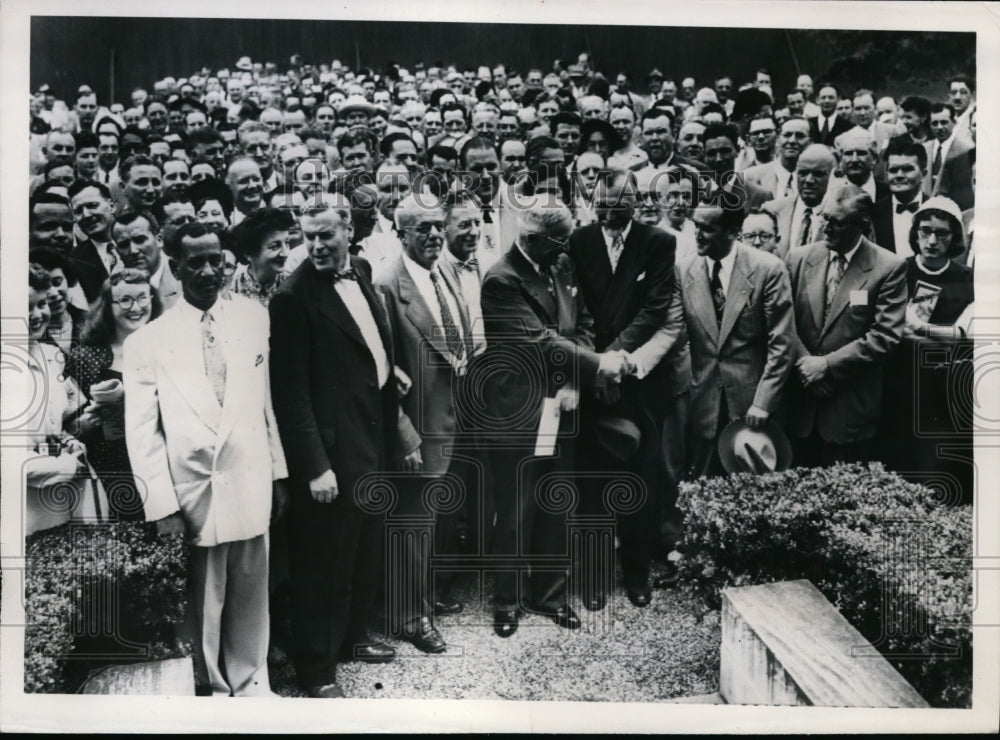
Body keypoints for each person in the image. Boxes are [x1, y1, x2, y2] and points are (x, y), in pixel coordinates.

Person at [124, 222, 288, 696]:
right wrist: (162, 506)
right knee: (205, 597)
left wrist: (278, 473)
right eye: (195, 262)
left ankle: (251, 681)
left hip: (250, 477)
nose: (208, 271)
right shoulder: (147, 342)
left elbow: (265, 403)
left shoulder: (253, 318)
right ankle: (214, 687)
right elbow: (143, 433)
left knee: (252, 590)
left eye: (216, 260)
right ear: (175, 269)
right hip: (195, 488)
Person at [269, 201, 406, 698]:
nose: (316, 246)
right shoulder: (292, 297)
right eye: (308, 237)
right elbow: (290, 393)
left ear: (349, 230)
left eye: (326, 235)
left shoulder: (362, 271)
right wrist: (315, 467)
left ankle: (352, 638)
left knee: (362, 552)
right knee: (322, 566)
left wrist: (387, 371)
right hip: (331, 456)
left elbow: (363, 343)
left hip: (370, 439)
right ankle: (316, 671)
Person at [480, 198, 627, 637]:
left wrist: (574, 383)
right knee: (515, 508)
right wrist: (599, 365)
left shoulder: (559, 263)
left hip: (562, 404)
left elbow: (583, 323)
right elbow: (539, 342)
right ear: (531, 239)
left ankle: (550, 595)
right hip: (520, 410)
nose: (567, 248)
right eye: (559, 241)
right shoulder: (501, 280)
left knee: (556, 502)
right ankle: (507, 601)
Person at [569, 170, 676, 610]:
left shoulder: (658, 242)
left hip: (636, 381)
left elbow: (654, 309)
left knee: (640, 480)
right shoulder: (578, 241)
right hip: (591, 375)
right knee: (592, 481)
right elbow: (574, 307)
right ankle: (594, 575)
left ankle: (636, 572)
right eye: (600, 204)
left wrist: (613, 363)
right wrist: (597, 368)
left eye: (615, 205)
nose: (606, 213)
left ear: (634, 202)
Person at [375, 195, 473, 653]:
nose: (434, 235)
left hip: (450, 415)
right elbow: (382, 373)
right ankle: (410, 618)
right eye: (423, 229)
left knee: (432, 520)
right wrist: (403, 435)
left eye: (437, 226)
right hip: (417, 426)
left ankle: (425, 598)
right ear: (401, 234)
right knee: (411, 526)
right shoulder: (386, 286)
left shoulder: (444, 270)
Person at [785, 184, 907, 467]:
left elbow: (885, 336)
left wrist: (827, 366)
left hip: (847, 406)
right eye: (824, 218)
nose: (826, 228)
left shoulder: (888, 267)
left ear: (862, 224)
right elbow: (784, 322)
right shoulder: (798, 259)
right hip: (800, 404)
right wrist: (807, 367)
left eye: (837, 222)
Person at [679, 202, 795, 478]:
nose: (698, 235)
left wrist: (763, 402)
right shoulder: (683, 270)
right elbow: (678, 335)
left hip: (752, 408)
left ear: (733, 232)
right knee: (703, 486)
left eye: (707, 229)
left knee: (755, 490)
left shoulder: (768, 269)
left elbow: (782, 343)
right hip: (703, 404)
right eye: (696, 226)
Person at [66, 268, 164, 521]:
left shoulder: (168, 349)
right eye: (125, 300)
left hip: (161, 463)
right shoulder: (86, 357)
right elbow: (69, 427)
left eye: (142, 297)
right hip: (113, 469)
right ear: (108, 306)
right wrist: (90, 420)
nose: (136, 307)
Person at [24, 263, 90, 536]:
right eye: (26, 308)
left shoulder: (51, 356)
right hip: (22, 519)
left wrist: (70, 442)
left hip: (63, 511)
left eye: (41, 304)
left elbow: (56, 426)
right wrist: (68, 465)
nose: (37, 315)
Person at [762, 144, 835, 258]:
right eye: (803, 173)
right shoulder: (772, 211)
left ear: (832, 176)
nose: (809, 180)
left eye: (818, 174)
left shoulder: (839, 218)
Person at [111, 209, 183, 310]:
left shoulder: (184, 280)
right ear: (117, 251)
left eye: (140, 240)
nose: (133, 251)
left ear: (159, 240)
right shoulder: (114, 291)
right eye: (124, 245)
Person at [229, 207, 293, 306]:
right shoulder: (231, 290)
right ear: (249, 253)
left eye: (287, 242)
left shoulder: (293, 286)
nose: (285, 253)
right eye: (275, 246)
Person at [873, 139, 928, 255]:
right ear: (886, 175)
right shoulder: (873, 213)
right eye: (893, 170)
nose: (899, 175)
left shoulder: (938, 209)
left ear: (923, 174)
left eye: (907, 169)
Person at [68, 181, 120, 302]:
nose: (86, 215)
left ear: (112, 205)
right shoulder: (74, 260)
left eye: (92, 205)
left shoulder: (139, 242)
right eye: (78, 211)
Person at [30, 247, 86, 354]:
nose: (54, 293)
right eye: (45, 287)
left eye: (57, 282)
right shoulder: (30, 334)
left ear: (67, 280)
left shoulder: (92, 321)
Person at [743, 116, 811, 199]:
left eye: (800, 136)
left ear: (811, 142)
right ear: (778, 139)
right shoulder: (749, 177)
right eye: (787, 135)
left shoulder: (818, 178)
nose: (792, 141)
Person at [926, 103, 974, 209]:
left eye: (944, 122)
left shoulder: (965, 150)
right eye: (934, 123)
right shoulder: (924, 149)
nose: (939, 127)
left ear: (954, 122)